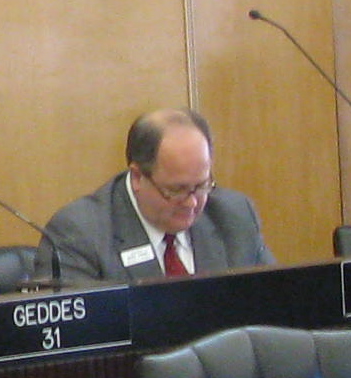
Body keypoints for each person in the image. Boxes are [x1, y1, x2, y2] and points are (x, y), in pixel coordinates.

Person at [34, 108, 274, 288]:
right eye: (177, 190)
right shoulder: (79, 233)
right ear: (138, 177)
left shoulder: (235, 215)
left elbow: (274, 305)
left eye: (201, 186)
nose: (192, 203)